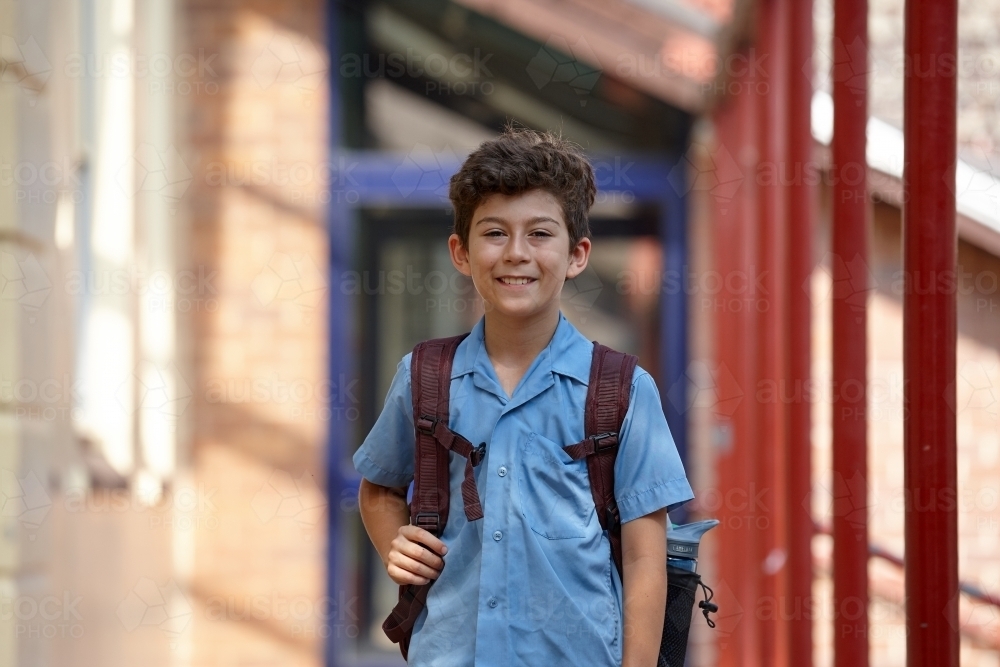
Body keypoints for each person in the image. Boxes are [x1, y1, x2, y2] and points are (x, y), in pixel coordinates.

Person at [354, 127, 693, 666]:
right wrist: (397, 543)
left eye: (539, 234)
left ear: (577, 253)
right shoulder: (424, 375)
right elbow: (378, 489)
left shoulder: (624, 389)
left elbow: (646, 558)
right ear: (461, 253)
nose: (516, 253)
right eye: (494, 233)